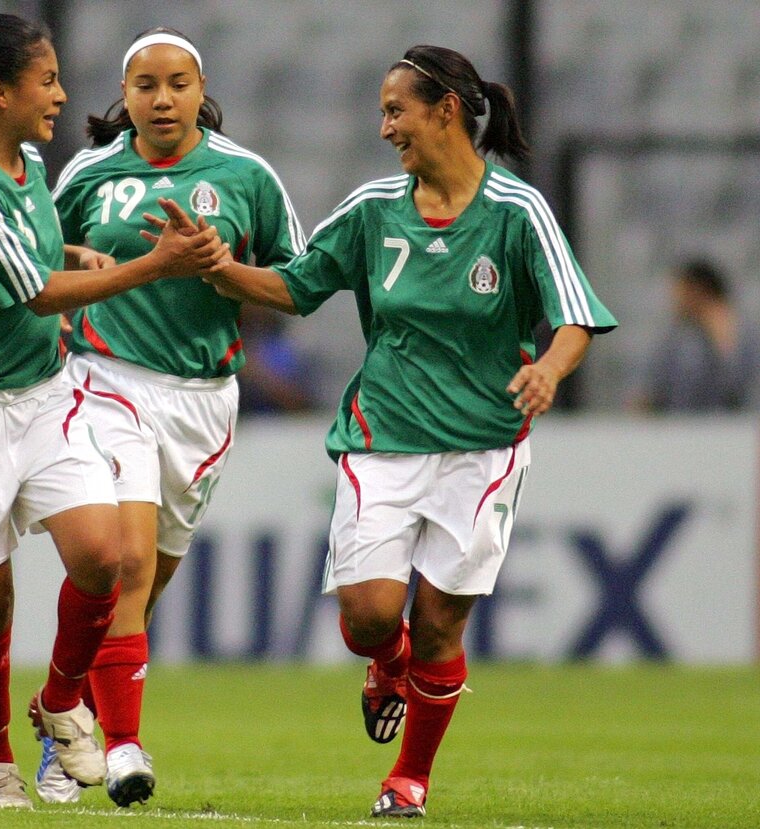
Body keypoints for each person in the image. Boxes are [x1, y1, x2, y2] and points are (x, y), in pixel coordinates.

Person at [198, 44, 617, 818]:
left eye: (397, 109)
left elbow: (576, 315)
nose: (385, 126)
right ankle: (383, 667)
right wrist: (221, 268)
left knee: (439, 623)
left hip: (483, 447)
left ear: (445, 110)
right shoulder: (372, 209)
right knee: (368, 615)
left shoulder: (517, 211)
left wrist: (550, 370)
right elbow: (296, 286)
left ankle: (409, 777)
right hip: (382, 434)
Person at [0, 14, 226, 810]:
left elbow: (35, 258)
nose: (62, 95)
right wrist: (155, 265)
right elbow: (35, 291)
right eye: (46, 81)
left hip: (42, 392)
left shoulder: (28, 161)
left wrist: (69, 250)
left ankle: (63, 698)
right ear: (0, 92)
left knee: (103, 556)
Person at [33, 27, 305, 808]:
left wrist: (225, 269)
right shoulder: (90, 172)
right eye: (145, 84)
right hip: (104, 380)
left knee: (140, 595)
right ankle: (121, 748)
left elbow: (298, 282)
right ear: (124, 95)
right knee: (126, 564)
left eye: (177, 83)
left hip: (205, 399)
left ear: (200, 88)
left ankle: (66, 720)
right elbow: (33, 260)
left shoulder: (246, 175)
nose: (161, 98)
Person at [626, 258, 760, 413]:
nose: (675, 299)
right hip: (678, 429)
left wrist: (724, 341)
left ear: (697, 290)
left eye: (680, 290)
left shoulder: (745, 335)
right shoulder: (676, 337)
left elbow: (742, 390)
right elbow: (648, 390)